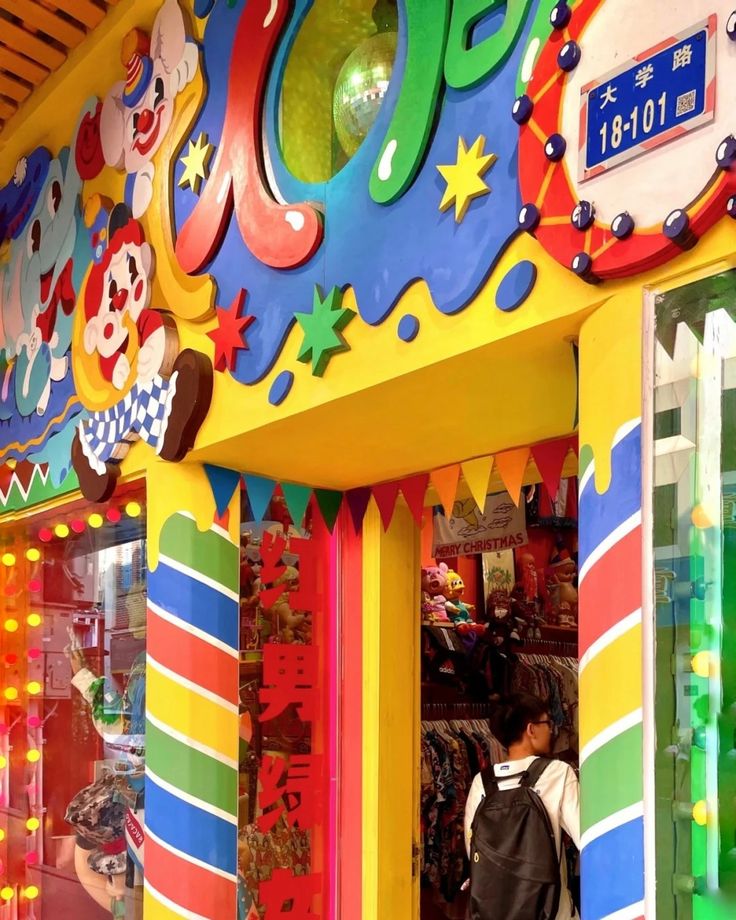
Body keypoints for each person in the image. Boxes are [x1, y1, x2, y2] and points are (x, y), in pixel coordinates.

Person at [464, 693, 580, 920]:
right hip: (551, 912)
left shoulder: (482, 782)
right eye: (548, 723)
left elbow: (473, 851)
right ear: (531, 730)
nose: (552, 730)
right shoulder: (557, 772)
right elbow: (585, 838)